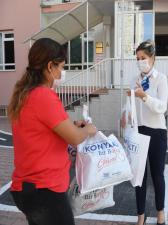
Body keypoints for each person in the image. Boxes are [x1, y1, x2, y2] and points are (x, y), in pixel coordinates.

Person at [8, 38, 97, 225]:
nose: (61, 72)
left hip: (27, 188)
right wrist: (88, 130)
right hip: (45, 190)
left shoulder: (24, 93)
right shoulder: (44, 95)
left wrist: (72, 125)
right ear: (50, 66)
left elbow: (42, 128)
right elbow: (74, 137)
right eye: (61, 67)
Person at [121, 40, 168, 225]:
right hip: (138, 131)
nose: (141, 61)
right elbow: (129, 107)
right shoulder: (134, 80)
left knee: (158, 175)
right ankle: (140, 214)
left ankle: (160, 211)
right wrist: (125, 114)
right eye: (138, 58)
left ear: (152, 58)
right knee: (139, 175)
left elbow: (161, 107)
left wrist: (144, 96)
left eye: (144, 58)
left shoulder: (161, 79)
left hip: (157, 132)